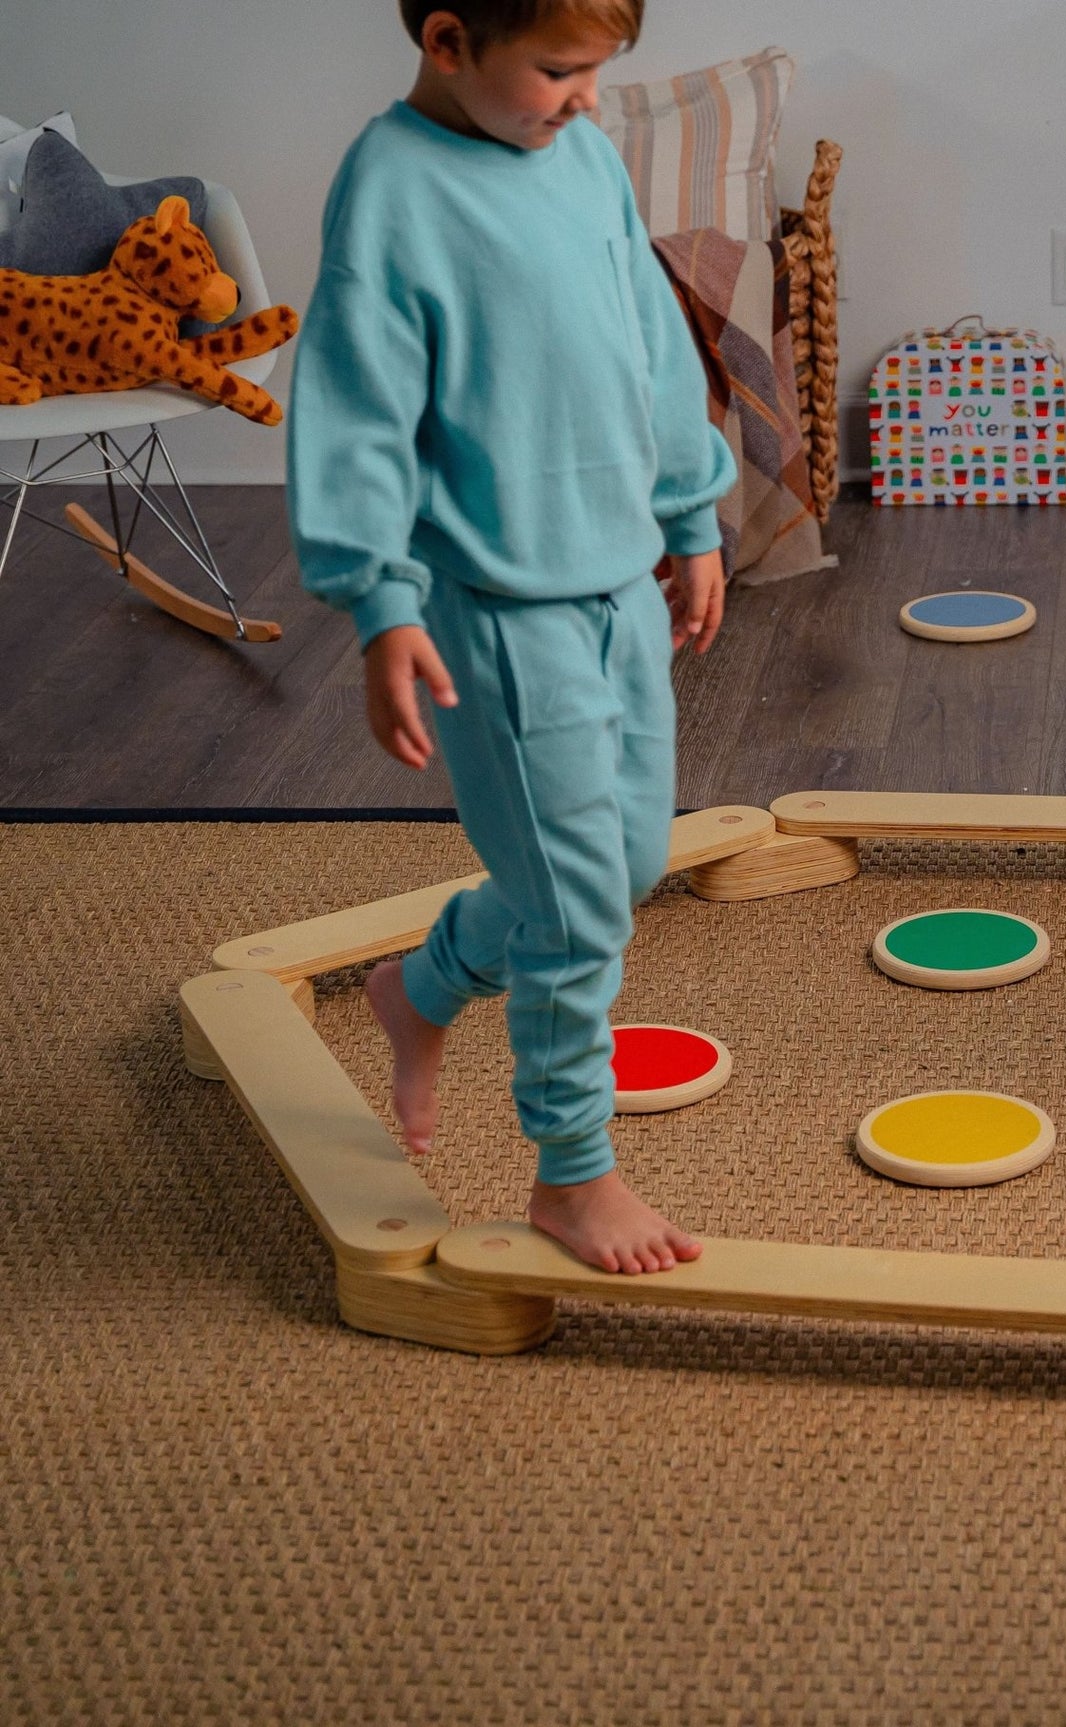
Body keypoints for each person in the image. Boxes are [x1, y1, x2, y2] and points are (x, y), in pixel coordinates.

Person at [288, 0, 736, 1270]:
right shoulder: (392, 190)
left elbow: (648, 345)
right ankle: (572, 1171)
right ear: (445, 42)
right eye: (557, 70)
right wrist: (381, 602)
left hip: (616, 577)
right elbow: (357, 409)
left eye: (596, 71)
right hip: (487, 604)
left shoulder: (578, 153)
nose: (587, 97)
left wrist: (689, 509)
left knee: (628, 859)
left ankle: (422, 985)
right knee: (581, 903)